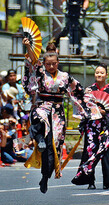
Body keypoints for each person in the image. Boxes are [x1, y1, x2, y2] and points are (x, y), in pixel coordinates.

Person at [22, 38, 92, 193]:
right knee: (39, 119)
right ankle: (39, 139)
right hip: (42, 106)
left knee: (54, 147)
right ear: (44, 63)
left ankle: (45, 177)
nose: (51, 66)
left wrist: (87, 102)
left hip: (58, 112)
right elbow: (33, 62)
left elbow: (78, 91)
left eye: (54, 63)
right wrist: (28, 46)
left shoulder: (65, 76)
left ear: (58, 62)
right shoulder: (40, 73)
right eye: (48, 64)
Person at [72, 63, 109, 189]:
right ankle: (90, 180)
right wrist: (91, 112)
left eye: (102, 73)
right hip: (92, 125)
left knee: (105, 152)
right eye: (97, 73)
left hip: (105, 125)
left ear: (106, 75)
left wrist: (106, 112)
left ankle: (107, 180)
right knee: (90, 151)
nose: (99, 75)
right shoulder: (90, 90)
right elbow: (83, 107)